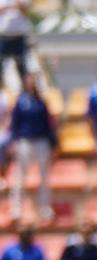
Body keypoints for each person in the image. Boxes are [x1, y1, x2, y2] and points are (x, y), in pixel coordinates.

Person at [8, 71, 54, 221]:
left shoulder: (41, 101)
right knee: (20, 177)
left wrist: (52, 144)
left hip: (41, 141)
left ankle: (44, 208)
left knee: (44, 177)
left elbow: (48, 124)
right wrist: (14, 142)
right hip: (25, 141)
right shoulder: (21, 101)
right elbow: (15, 124)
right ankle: (16, 209)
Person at [0, 0, 32, 91]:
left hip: (19, 36)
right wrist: (12, 6)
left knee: (22, 67)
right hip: (3, 36)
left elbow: (25, 10)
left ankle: (25, 92)